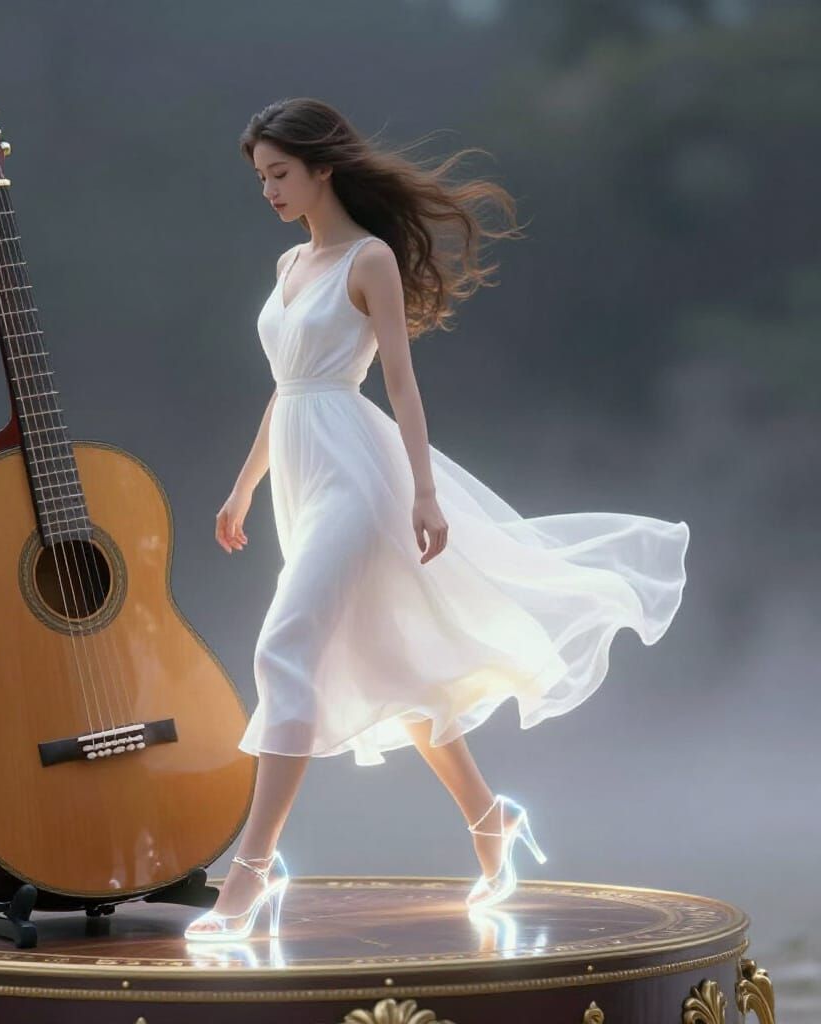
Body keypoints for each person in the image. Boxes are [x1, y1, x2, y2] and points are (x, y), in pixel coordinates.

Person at [184, 98, 689, 942]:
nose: (268, 190)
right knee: (401, 666)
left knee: (285, 646)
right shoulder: (287, 268)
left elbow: (402, 384)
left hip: (357, 471)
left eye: (280, 173)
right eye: (261, 177)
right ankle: (493, 822)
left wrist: (424, 491)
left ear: (322, 169)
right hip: (297, 478)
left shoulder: (370, 258)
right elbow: (285, 388)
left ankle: (252, 869)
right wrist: (241, 488)